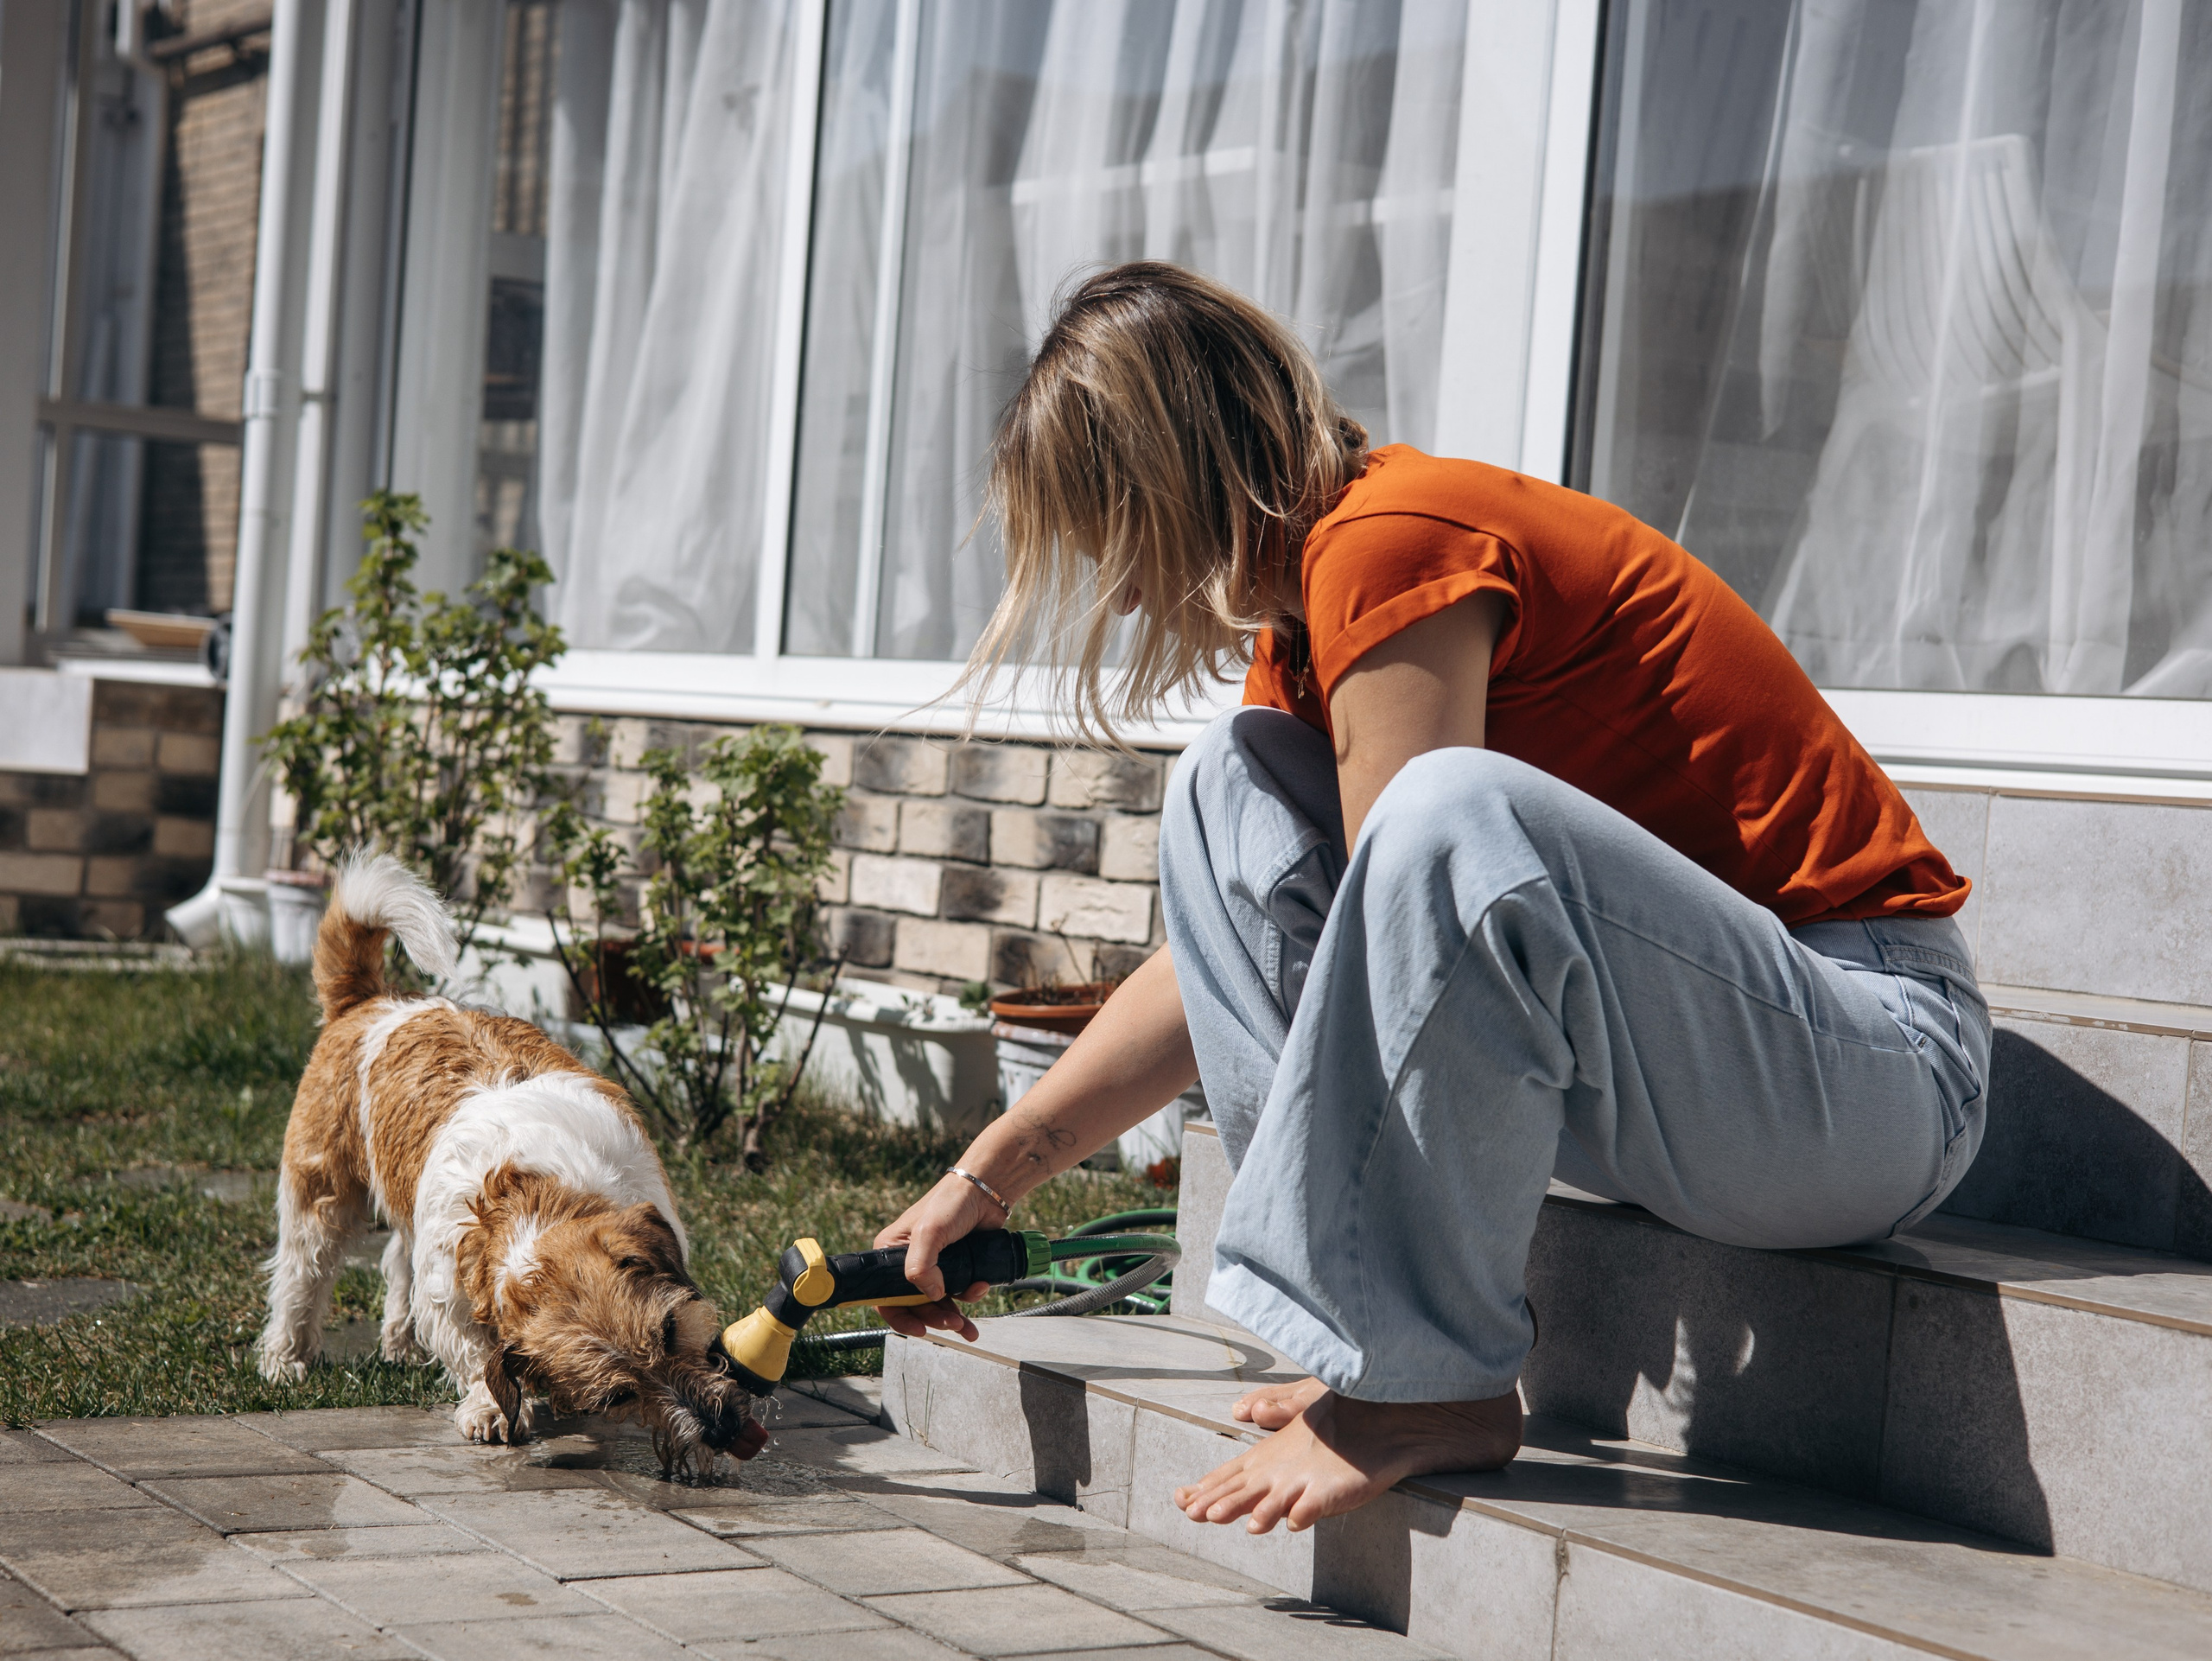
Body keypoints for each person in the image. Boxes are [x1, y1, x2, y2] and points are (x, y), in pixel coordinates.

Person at [869, 262, 1989, 1538]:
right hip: (1695, 1084)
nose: (1119, 595)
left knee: (1442, 807)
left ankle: (1424, 1371)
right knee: (1228, 781)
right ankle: (1373, 1329)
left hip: (1882, 1068)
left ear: (1172, 480)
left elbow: (1411, 903)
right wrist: (987, 1175)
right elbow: (1231, 959)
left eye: (1113, 541)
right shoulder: (1304, 628)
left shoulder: (1391, 539)